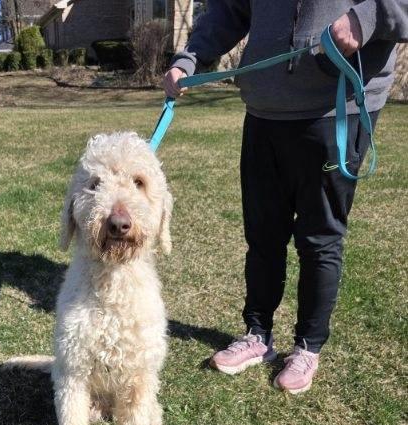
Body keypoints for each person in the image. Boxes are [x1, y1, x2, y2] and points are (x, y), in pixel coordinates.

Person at [165, 1, 408, 394]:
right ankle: (257, 335)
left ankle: (308, 347)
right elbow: (232, 9)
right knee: (263, 234)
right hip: (265, 110)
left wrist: (367, 18)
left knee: (319, 238)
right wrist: (189, 58)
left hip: (336, 107)